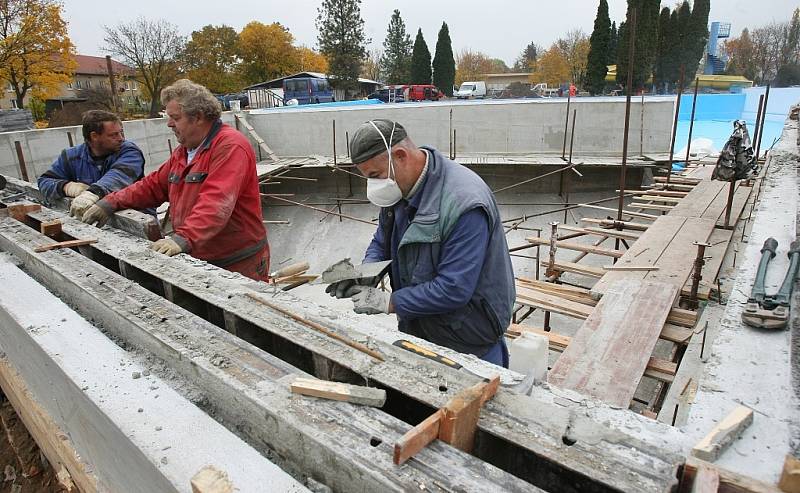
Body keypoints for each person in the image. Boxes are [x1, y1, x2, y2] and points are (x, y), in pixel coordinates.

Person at [328, 119, 515, 367]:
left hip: (468, 343)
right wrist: (365, 274)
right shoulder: (399, 188)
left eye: (375, 175)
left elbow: (454, 288)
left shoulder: (464, 203)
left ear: (401, 155)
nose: (373, 186)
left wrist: (389, 302)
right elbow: (382, 241)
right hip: (420, 331)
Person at [81, 79, 270, 281]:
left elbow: (216, 203)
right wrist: (109, 202)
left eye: (175, 117)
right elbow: (151, 185)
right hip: (201, 256)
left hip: (236, 261)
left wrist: (183, 238)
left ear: (197, 117)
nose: (169, 123)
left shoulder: (230, 146)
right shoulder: (185, 150)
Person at [37, 110, 146, 219]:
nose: (121, 138)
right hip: (96, 219)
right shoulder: (72, 156)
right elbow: (44, 181)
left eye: (121, 132)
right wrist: (68, 187)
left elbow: (118, 176)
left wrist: (93, 193)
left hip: (136, 217)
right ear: (94, 136)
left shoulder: (129, 152)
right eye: (114, 135)